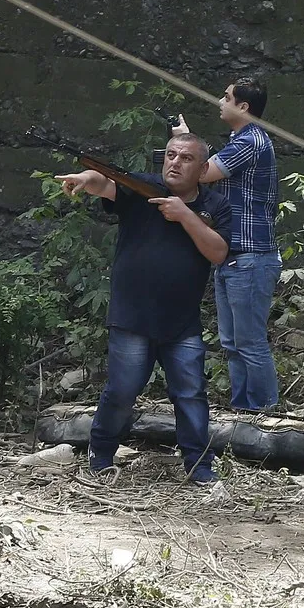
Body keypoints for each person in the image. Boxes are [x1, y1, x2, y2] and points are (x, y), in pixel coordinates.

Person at [55, 133, 233, 484]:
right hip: (132, 316)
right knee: (122, 391)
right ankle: (100, 455)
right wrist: (85, 179)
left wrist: (184, 216)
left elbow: (218, 252)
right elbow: (105, 183)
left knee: (191, 394)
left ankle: (199, 466)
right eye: (171, 155)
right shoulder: (142, 188)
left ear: (203, 170)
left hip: (182, 322)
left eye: (186, 158)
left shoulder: (215, 205)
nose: (175, 162)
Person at [172, 77, 281, 412]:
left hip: (251, 257)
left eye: (227, 97)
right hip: (233, 257)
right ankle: (243, 413)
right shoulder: (241, 140)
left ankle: (265, 416)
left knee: (249, 343)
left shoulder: (250, 140)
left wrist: (185, 142)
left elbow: (203, 173)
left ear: (243, 107)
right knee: (233, 344)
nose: (220, 102)